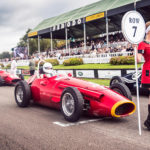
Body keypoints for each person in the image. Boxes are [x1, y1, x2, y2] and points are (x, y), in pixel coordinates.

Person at [137, 21, 150, 130]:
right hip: (148, 71)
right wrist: (135, 49)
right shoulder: (143, 43)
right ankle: (149, 122)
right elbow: (138, 59)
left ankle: (149, 121)